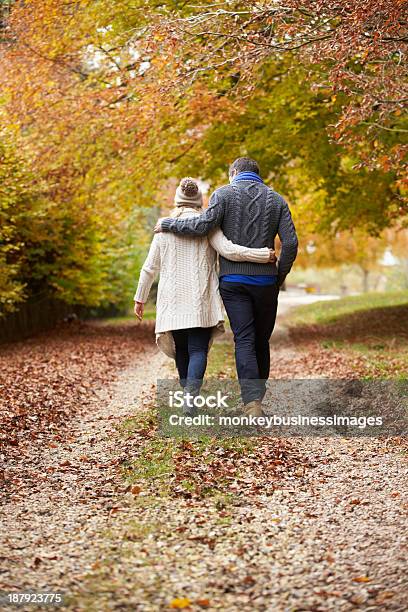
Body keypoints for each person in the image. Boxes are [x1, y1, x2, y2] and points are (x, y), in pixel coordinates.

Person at [155, 158, 298, 416]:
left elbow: (202, 226)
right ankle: (257, 397)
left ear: (234, 173)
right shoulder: (277, 200)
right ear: (258, 175)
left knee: (244, 338)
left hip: (233, 282)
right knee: (261, 340)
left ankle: (251, 403)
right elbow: (290, 244)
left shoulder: (223, 194)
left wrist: (169, 224)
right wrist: (278, 276)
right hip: (266, 282)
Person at [134, 177, 275, 415]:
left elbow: (150, 267)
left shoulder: (163, 228)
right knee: (198, 349)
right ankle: (191, 395)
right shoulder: (208, 226)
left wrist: (140, 298)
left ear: (177, 200)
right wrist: (263, 255)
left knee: (182, 349)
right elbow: (230, 250)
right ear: (199, 201)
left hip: (173, 299)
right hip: (200, 299)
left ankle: (187, 394)